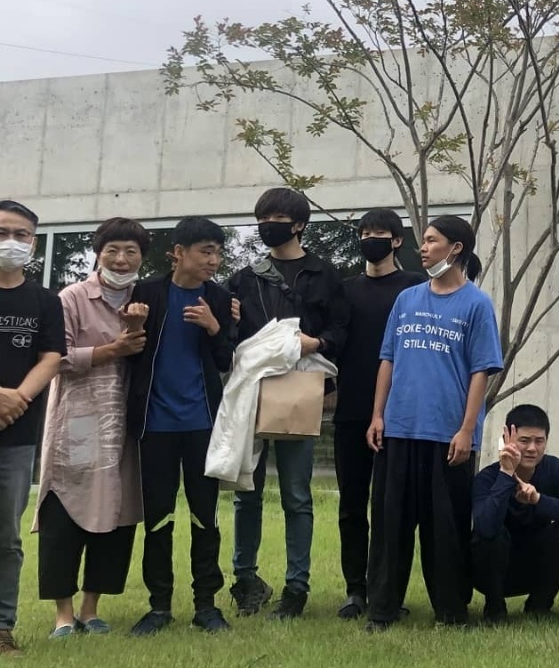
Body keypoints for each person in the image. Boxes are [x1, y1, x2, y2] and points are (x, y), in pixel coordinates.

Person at [365, 216, 503, 630]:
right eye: (423, 241)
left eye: (431, 240)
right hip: (399, 429)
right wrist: (377, 415)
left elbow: (481, 371)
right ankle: (382, 609)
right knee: (389, 525)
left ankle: (451, 610)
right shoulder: (406, 300)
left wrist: (467, 429)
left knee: (446, 528)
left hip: (447, 435)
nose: (422, 248)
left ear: (456, 248)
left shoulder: (476, 304)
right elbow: (387, 359)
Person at [228, 186, 350, 620]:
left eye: (277, 219)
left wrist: (315, 343)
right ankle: (245, 580)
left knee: (297, 494)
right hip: (251, 389)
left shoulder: (324, 274)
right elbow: (229, 335)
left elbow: (341, 328)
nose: (267, 226)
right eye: (262, 219)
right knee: (246, 491)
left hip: (299, 386)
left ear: (299, 224)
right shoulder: (244, 277)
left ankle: (297, 587)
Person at [35, 219, 149, 637]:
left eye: (131, 251)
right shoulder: (72, 297)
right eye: (113, 250)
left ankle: (90, 609)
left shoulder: (147, 297)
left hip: (127, 423)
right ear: (98, 253)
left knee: (116, 510)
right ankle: (63, 614)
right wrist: (111, 350)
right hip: (78, 421)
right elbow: (55, 357)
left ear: (142, 258)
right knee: (66, 508)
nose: (121, 259)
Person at [126, 217, 236, 636]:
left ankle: (207, 605)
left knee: (205, 516)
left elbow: (226, 359)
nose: (214, 260)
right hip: (154, 424)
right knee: (158, 517)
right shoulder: (147, 293)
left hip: (202, 424)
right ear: (178, 253)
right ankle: (158, 606)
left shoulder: (219, 298)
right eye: (206, 251)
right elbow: (132, 355)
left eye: (218, 252)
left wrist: (213, 327)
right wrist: (133, 326)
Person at [333, 208, 425, 620]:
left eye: (379, 232)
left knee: (392, 509)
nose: (370, 239)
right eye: (364, 232)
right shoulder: (344, 290)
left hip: (400, 416)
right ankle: (355, 590)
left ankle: (387, 592)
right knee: (351, 506)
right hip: (351, 411)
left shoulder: (415, 288)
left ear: (397, 240)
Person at [0, 201, 66, 657]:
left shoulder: (45, 301)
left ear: (34, 243)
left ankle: (2, 627)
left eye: (21, 235)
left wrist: (16, 398)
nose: (12, 242)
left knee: (6, 537)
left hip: (17, 437)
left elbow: (51, 357)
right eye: (3, 232)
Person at [472, 404, 559, 622]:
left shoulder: (553, 468)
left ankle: (540, 605)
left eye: (539, 441)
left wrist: (539, 500)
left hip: (535, 566)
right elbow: (485, 528)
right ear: (507, 439)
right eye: (524, 440)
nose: (532, 448)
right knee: (492, 535)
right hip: (492, 570)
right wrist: (506, 474)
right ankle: (494, 608)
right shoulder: (487, 478)